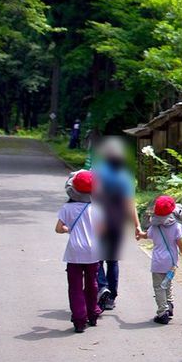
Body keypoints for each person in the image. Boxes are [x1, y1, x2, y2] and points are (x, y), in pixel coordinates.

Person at [93, 137, 141, 311]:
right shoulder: (125, 176)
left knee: (97, 258)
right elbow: (130, 203)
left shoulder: (97, 172)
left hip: (99, 218)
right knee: (113, 261)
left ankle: (101, 286)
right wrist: (137, 226)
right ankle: (111, 297)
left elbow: (91, 196)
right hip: (118, 221)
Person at [55, 170, 103, 333]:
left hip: (74, 252)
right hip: (93, 251)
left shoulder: (67, 208)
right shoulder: (97, 208)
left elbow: (58, 229)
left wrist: (69, 229)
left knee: (75, 286)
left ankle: (79, 319)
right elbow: (101, 230)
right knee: (92, 283)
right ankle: (93, 313)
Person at [142, 195, 182, 324]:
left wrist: (139, 235)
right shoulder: (177, 226)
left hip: (158, 262)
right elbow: (180, 244)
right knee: (167, 283)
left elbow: (146, 235)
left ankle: (162, 313)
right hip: (172, 262)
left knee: (159, 287)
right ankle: (170, 305)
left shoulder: (154, 227)